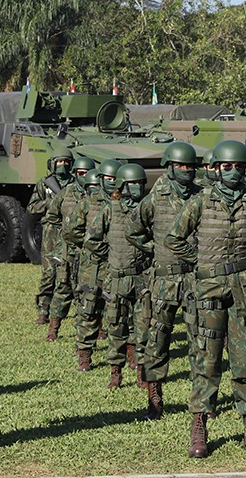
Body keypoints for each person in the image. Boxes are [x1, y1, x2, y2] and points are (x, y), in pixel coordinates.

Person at [166, 140, 246, 458]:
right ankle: (199, 427)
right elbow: (174, 237)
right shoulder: (200, 201)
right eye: (227, 166)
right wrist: (201, 262)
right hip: (209, 291)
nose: (233, 172)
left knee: (244, 361)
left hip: (245, 291)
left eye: (239, 167)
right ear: (216, 169)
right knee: (207, 361)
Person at [134, 142, 202, 420]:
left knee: (201, 340)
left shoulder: (202, 195)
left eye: (190, 166)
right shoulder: (154, 198)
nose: (186, 171)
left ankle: (201, 401)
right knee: (157, 340)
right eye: (181, 166)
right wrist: (158, 250)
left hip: (196, 279)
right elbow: (134, 232)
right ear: (170, 167)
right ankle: (155, 396)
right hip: (163, 280)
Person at [86, 163, 150, 390]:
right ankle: (116, 372)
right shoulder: (110, 210)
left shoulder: (147, 208)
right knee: (116, 327)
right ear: (122, 185)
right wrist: (110, 255)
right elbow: (91, 240)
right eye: (132, 183)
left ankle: (142, 372)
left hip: (142, 279)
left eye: (140, 183)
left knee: (143, 327)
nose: (137, 188)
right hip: (116, 278)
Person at [66, 159, 121, 371]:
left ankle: (123, 356)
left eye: (115, 179)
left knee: (117, 311)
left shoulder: (124, 203)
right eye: (108, 179)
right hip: (92, 266)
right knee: (88, 308)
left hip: (116, 266)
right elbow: (71, 231)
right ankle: (84, 354)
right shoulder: (88, 203)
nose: (111, 182)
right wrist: (92, 247)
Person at [44, 155, 95, 341]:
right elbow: (52, 216)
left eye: (87, 173)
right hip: (68, 250)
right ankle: (53, 329)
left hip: (89, 251)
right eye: (81, 173)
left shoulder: (96, 193)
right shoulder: (65, 193)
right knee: (63, 288)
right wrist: (64, 234)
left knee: (90, 290)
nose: (84, 176)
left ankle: (95, 328)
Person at [28, 147, 75, 325]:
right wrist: (50, 203)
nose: (62, 165)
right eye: (59, 162)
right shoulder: (45, 183)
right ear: (52, 164)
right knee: (49, 274)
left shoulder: (75, 183)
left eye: (65, 162)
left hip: (71, 231)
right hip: (50, 232)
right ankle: (43, 311)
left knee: (71, 273)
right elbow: (32, 207)